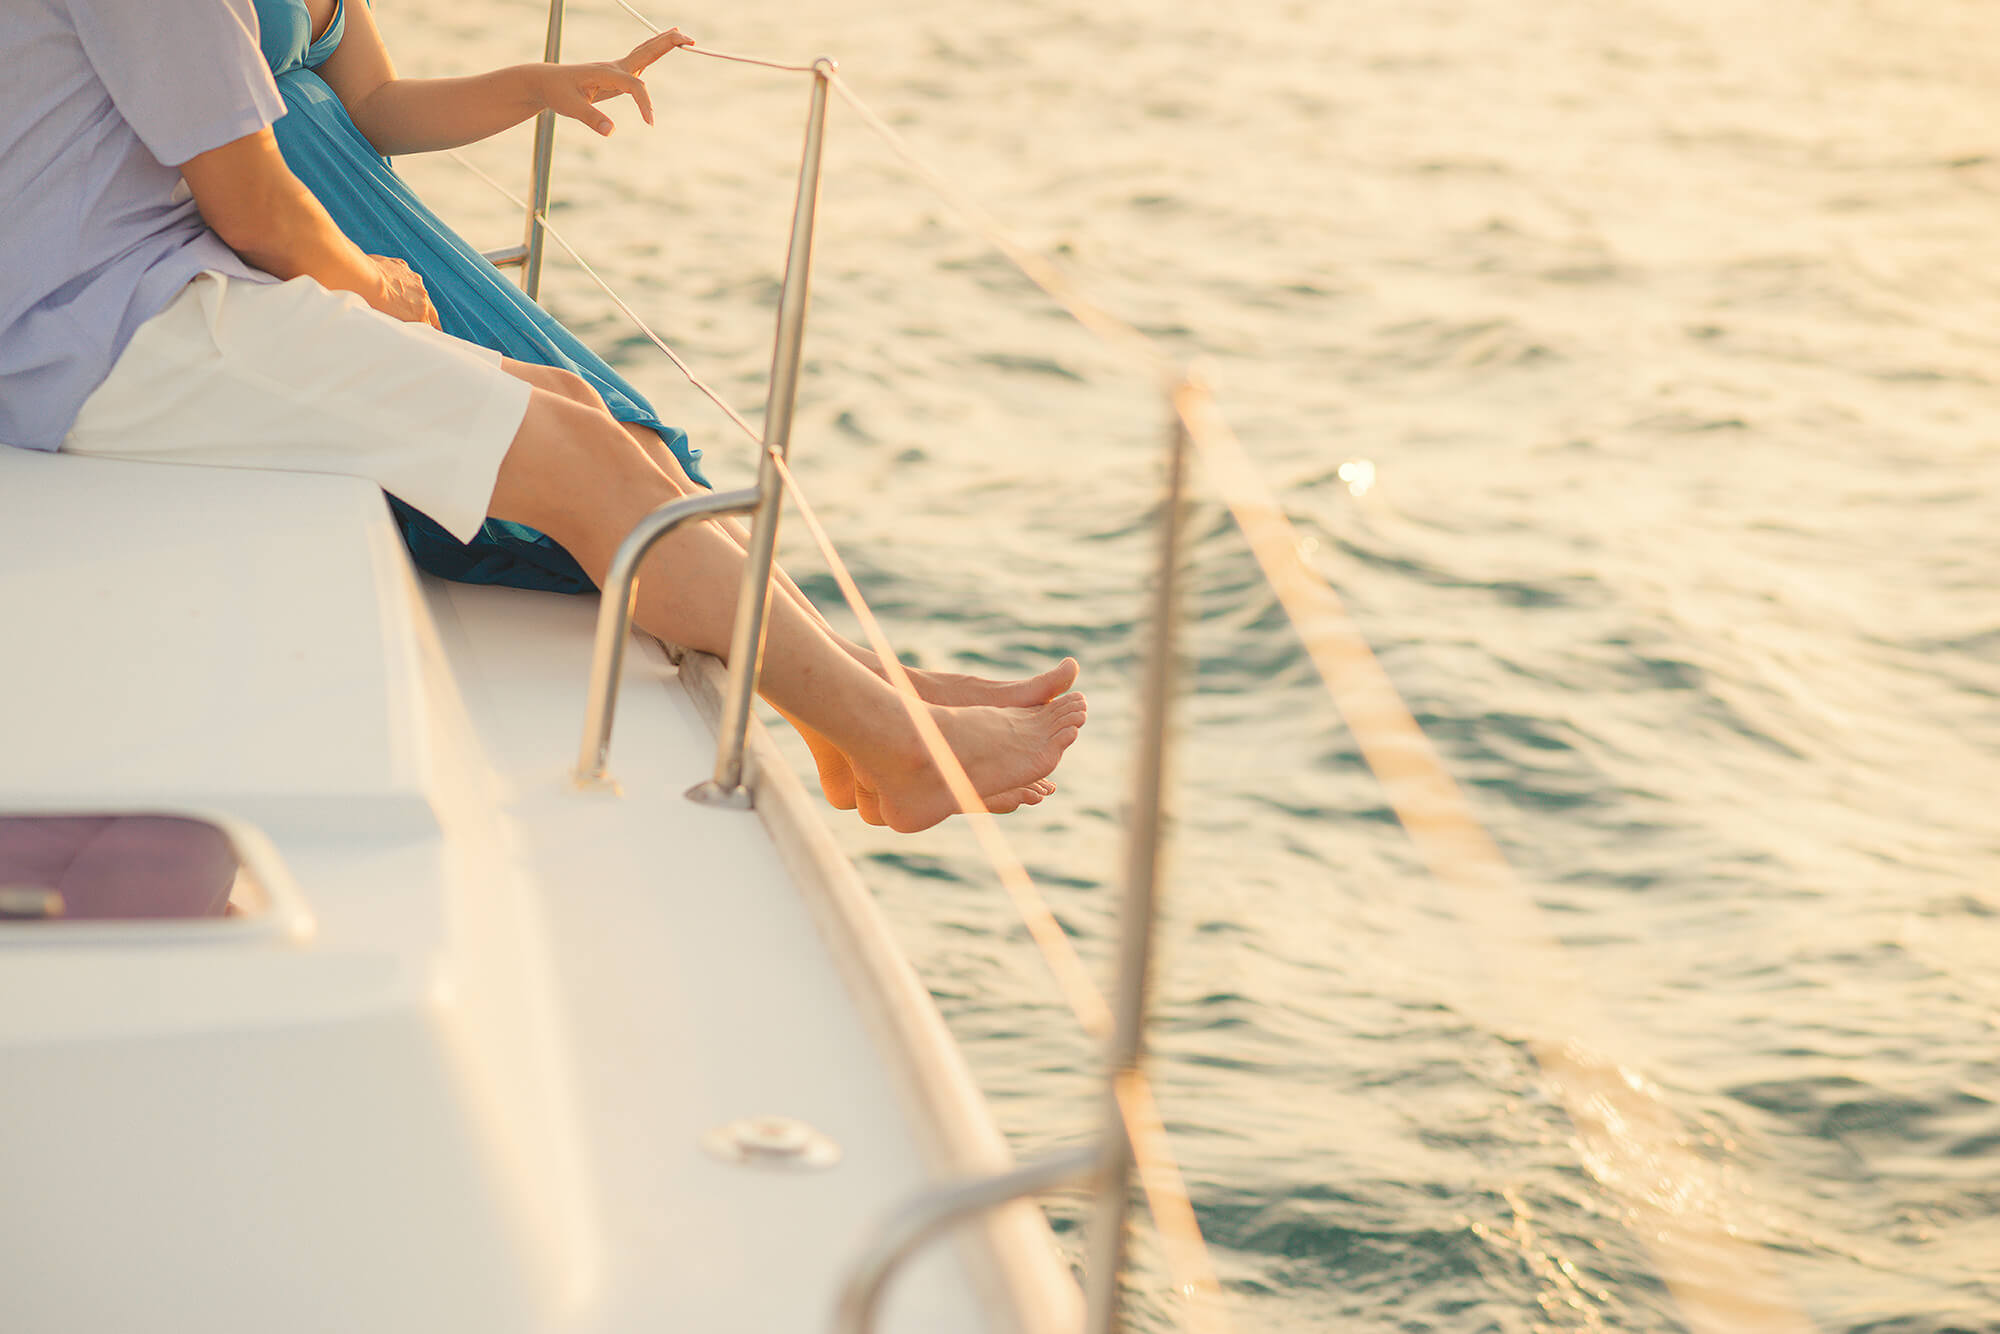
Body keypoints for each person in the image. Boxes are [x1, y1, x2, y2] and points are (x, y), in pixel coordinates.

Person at [0, 0, 1084, 833]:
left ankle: (837, 720)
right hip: (90, 322)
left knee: (574, 411)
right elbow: (252, 197)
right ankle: (885, 738)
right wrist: (369, 286)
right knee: (579, 456)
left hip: (139, 281)